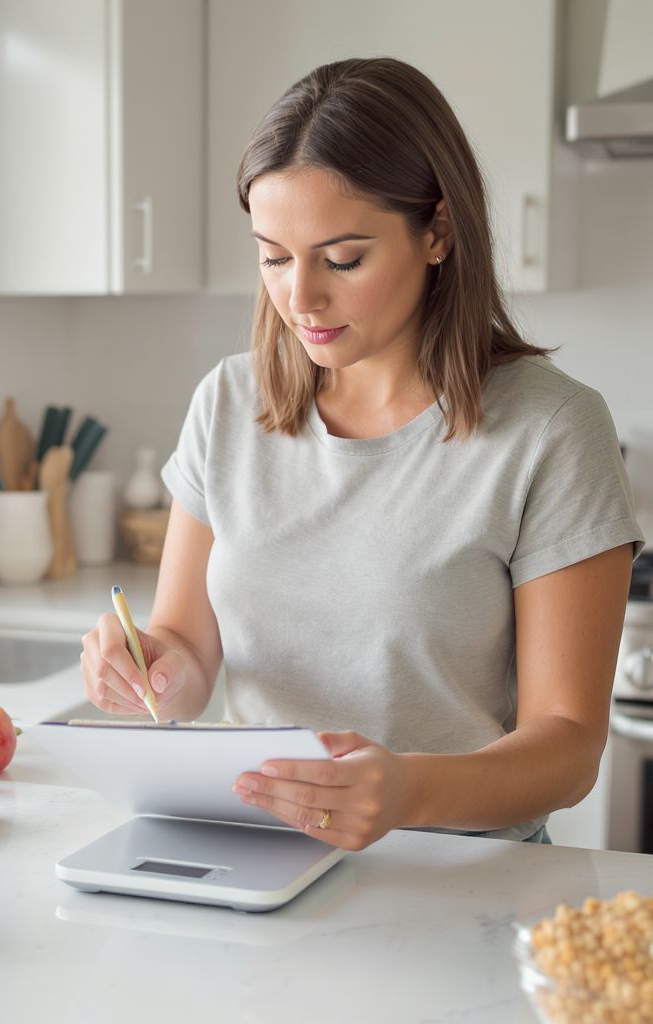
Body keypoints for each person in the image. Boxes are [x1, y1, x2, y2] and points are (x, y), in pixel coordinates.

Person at [80, 57, 643, 850]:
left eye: (342, 259)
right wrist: (147, 669)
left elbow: (569, 746)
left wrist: (407, 789)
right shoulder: (229, 404)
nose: (299, 298)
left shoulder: (551, 429)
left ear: (438, 232)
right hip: (257, 861)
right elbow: (189, 654)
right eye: (274, 256)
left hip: (457, 882)